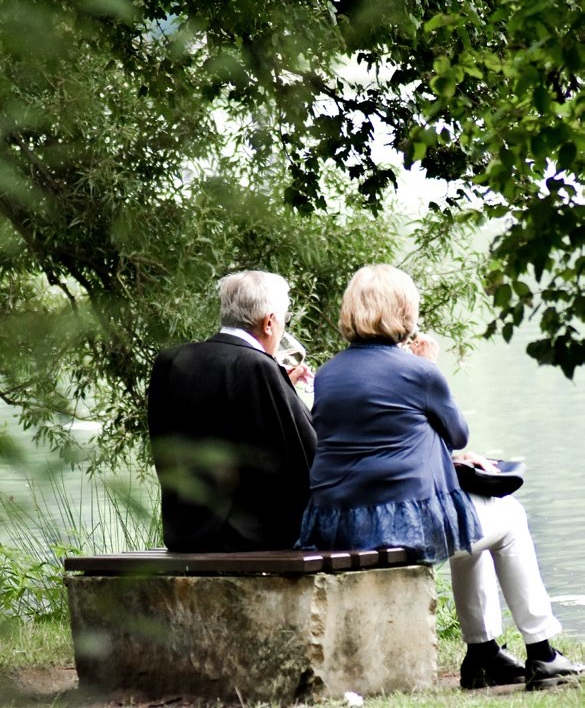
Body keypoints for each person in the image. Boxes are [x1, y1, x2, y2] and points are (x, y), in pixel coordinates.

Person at [298, 264, 584, 691]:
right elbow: (458, 433)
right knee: (509, 516)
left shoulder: (329, 374)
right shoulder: (418, 371)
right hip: (397, 525)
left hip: (337, 522)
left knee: (474, 530)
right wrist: (429, 366)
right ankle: (542, 652)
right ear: (402, 311)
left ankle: (483, 653)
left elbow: (383, 434)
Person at [148, 270, 316, 553]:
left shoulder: (170, 361)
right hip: (252, 539)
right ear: (270, 322)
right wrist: (298, 397)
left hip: (185, 534)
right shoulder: (258, 368)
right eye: (285, 320)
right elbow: (304, 456)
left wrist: (280, 383)